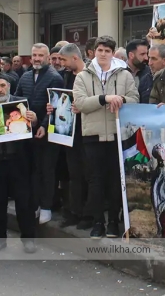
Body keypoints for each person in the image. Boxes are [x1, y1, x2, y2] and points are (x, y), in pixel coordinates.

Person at [73, 35, 138, 239]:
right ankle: (97, 222)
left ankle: (114, 222)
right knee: (95, 181)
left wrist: (121, 99)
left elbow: (135, 99)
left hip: (117, 134)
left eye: (107, 51)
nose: (103, 54)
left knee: (115, 181)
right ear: (94, 51)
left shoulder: (124, 75)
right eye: (100, 50)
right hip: (92, 135)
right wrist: (104, 98)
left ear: (112, 53)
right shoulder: (83, 76)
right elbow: (81, 103)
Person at [0, 74, 38, 253]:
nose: (0, 89)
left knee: (24, 202)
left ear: (9, 86)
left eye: (3, 85)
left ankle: (28, 238)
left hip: (19, 161)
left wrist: (34, 119)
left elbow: (33, 126)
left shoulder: (21, 103)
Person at [13, 44, 65, 225]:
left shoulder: (55, 78)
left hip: (48, 132)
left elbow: (56, 105)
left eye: (40, 55)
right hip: (26, 131)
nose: (36, 58)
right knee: (32, 170)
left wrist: (42, 123)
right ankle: (34, 204)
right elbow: (16, 99)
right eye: (34, 55)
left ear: (48, 57)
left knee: (47, 171)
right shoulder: (25, 76)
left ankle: (47, 206)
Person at [50, 44, 90, 229]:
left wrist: (82, 107)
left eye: (64, 60)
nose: (61, 63)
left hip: (87, 132)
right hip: (67, 133)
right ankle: (74, 211)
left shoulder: (91, 75)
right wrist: (53, 107)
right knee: (73, 175)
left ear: (75, 58)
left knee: (88, 175)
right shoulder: (65, 77)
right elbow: (60, 99)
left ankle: (88, 215)